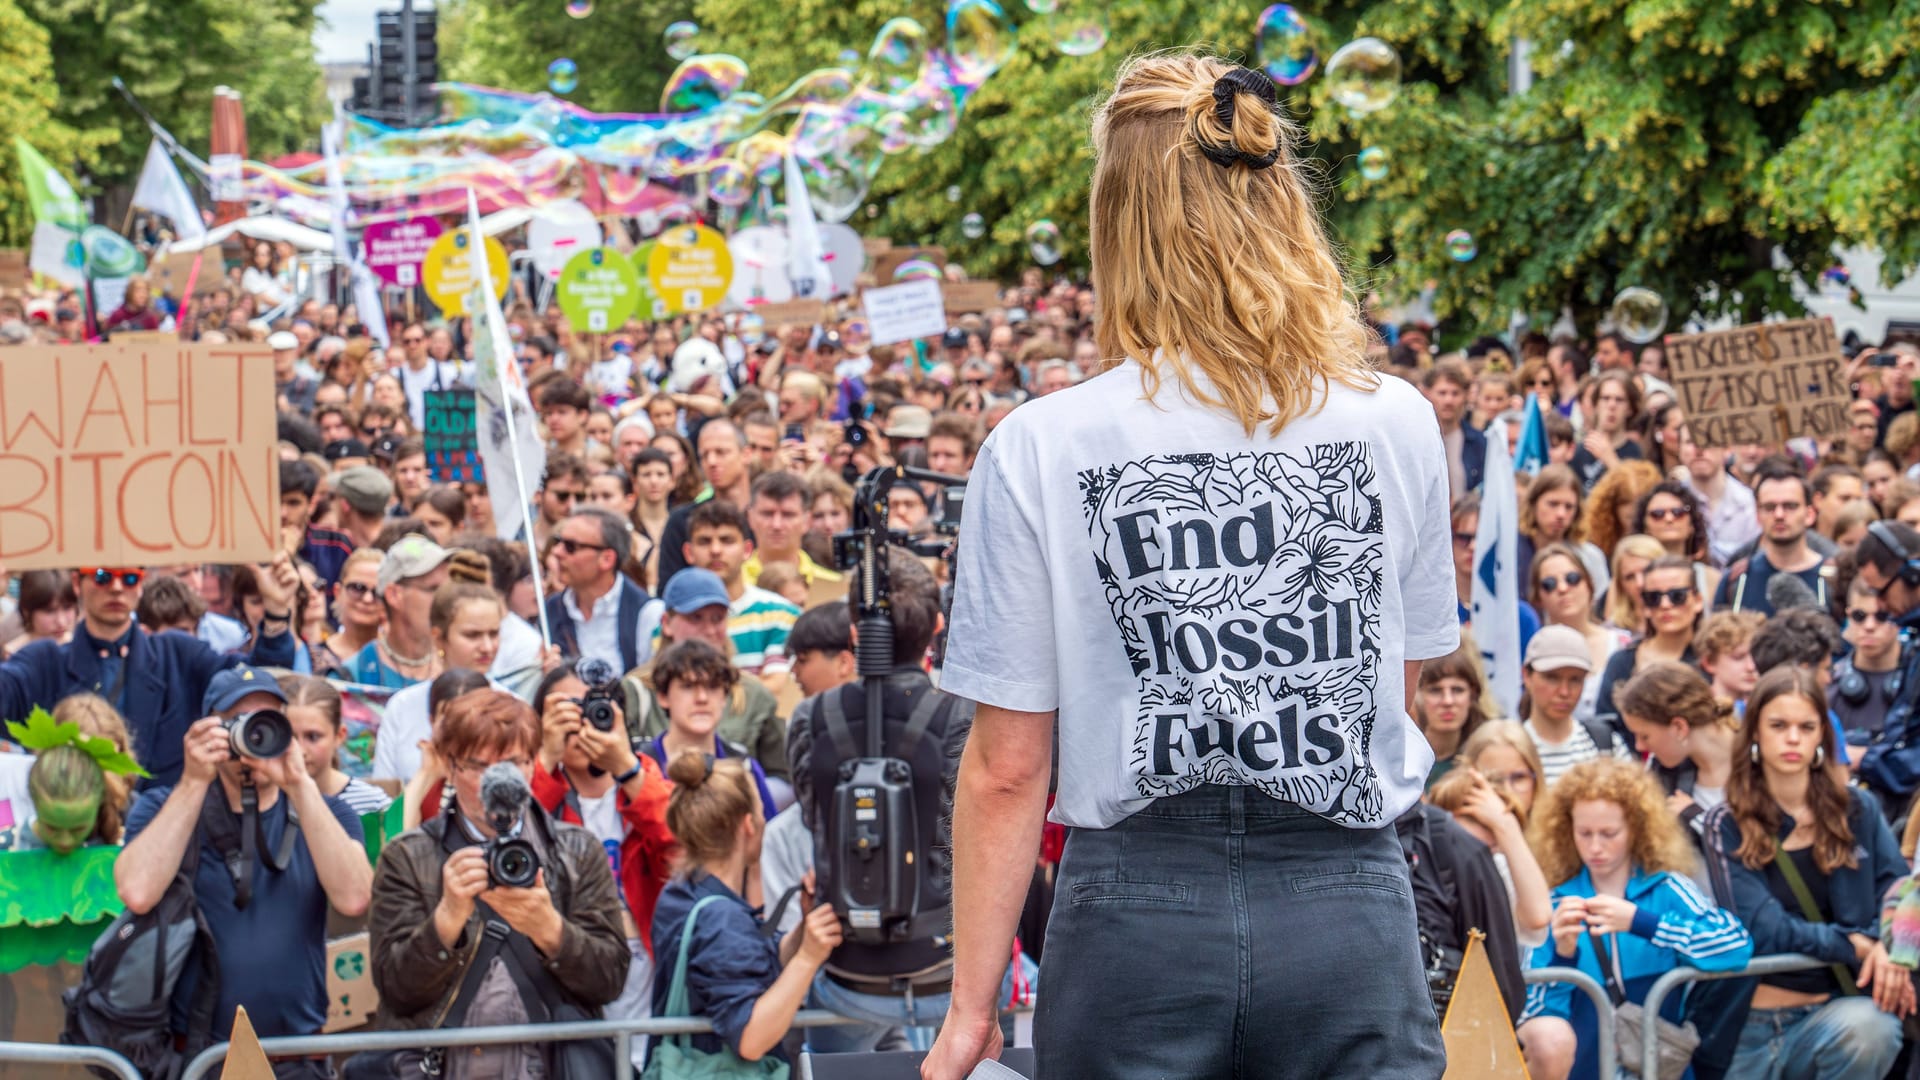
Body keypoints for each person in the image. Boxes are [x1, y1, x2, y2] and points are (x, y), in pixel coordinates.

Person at [925, 56, 1454, 1078]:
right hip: (1348, 904)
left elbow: (1006, 768)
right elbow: (1399, 684)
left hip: (1135, 917)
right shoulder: (1397, 422)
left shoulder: (1042, 444)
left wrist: (970, 1011)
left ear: (1117, 223)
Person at [364, 689, 630, 1073]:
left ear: (532, 765)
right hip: (446, 1067)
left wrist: (551, 931)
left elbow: (609, 981)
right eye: (481, 766)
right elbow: (395, 990)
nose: (498, 781)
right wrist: (447, 920)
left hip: (549, 1065)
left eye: (512, 763)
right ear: (451, 767)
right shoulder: (407, 856)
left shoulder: (577, 849)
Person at [114, 666, 371, 1062]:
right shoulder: (166, 806)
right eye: (235, 722)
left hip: (299, 1056)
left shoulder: (326, 811)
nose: (252, 736)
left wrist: (299, 783)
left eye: (265, 721)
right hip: (202, 1057)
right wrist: (194, 781)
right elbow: (137, 892)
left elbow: (355, 898)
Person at [1702, 668, 1911, 1080]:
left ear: (1822, 736)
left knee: (1875, 1029)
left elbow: (1898, 886)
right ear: (1756, 734)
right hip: (1751, 1023)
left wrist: (1889, 944)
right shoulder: (1725, 823)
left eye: (1806, 726)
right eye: (1779, 725)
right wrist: (1855, 945)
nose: (1793, 738)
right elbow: (1763, 928)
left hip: (1837, 1008)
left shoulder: (1858, 809)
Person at [1516, 759, 1752, 1080]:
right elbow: (1536, 1019)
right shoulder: (1558, 902)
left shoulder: (1668, 888)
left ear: (1636, 828)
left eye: (1609, 833)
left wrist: (1643, 923)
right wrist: (1563, 955)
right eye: (1584, 833)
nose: (1595, 847)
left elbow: (1736, 946)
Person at [0, 559, 299, 788]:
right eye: (103, 576)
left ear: (141, 584)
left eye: (130, 578)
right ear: (78, 583)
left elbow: (257, 684)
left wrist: (275, 614)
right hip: (69, 837)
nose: (116, 588)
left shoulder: (178, 653)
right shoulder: (44, 661)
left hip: (166, 836)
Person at [649, 750, 844, 1069]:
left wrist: (803, 930)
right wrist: (809, 957)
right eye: (760, 811)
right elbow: (752, 1038)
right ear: (748, 825)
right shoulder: (722, 919)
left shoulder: (681, 893)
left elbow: (749, 965)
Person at [529, 660, 678, 1070]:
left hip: (647, 973)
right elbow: (513, 842)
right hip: (569, 973)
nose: (584, 723)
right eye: (568, 710)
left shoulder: (642, 776)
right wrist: (545, 758)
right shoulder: (537, 784)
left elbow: (682, 845)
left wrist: (625, 766)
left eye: (595, 708)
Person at [372, 582, 506, 782]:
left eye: (494, 633)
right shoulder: (403, 707)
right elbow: (383, 794)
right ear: (438, 637)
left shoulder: (510, 705)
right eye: (472, 635)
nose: (487, 646)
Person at [638, 640, 777, 814]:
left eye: (712, 687)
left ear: (725, 697)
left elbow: (767, 835)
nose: (702, 698)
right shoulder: (640, 768)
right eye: (688, 686)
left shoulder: (745, 768)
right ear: (663, 696)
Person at [1618, 662, 1740, 847]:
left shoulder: (1758, 760)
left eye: (1645, 736)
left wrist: (1696, 817)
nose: (1639, 746)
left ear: (1679, 727)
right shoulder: (1661, 771)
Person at [683, 500, 801, 673]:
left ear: (747, 550)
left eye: (727, 541)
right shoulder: (671, 621)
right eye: (704, 541)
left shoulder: (782, 615)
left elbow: (777, 689)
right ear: (689, 553)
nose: (715, 550)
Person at [1594, 555, 1703, 735]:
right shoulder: (1622, 661)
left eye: (1677, 596)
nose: (1665, 605)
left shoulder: (1714, 660)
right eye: (1654, 598)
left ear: (1697, 600)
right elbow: (1607, 727)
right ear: (1644, 605)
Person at [1530, 542, 1632, 728]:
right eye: (1549, 584)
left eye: (1572, 578)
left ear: (1590, 585)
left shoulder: (1623, 643)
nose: (1563, 588)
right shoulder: (1533, 648)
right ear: (1538, 597)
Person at [545, 506, 654, 673]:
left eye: (570, 546)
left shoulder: (646, 613)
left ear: (607, 559)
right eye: (558, 541)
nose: (557, 551)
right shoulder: (549, 610)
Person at [1521, 625, 1631, 785]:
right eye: (1552, 678)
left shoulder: (1606, 744)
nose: (1564, 692)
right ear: (1527, 676)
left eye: (1575, 679)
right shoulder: (1509, 749)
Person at [341, 535, 454, 689]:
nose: (446, 598)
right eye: (433, 589)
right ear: (394, 595)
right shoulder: (352, 676)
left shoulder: (458, 665)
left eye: (448, 588)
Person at [1716, 466, 1830, 617]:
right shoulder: (1737, 579)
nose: (1779, 514)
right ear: (1757, 515)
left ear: (1809, 514)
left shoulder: (1832, 579)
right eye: (1769, 507)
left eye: (1790, 506)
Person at [654, 419, 754, 589]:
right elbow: (669, 590)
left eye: (721, 452)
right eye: (704, 455)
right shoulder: (682, 521)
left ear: (746, 455)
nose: (712, 462)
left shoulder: (768, 517)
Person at [278, 674, 392, 817]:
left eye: (313, 737)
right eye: (290, 737)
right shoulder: (268, 799)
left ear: (339, 736)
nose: (300, 750)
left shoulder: (372, 804)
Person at [1831, 576, 1905, 757]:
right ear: (1848, 616)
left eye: (1882, 616)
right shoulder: (1827, 683)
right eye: (1859, 616)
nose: (1869, 626)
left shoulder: (1914, 687)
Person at [1517, 465, 1611, 600]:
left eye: (1569, 507)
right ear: (1534, 503)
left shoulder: (1590, 557)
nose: (1561, 514)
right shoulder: (1511, 551)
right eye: (1553, 504)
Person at [745, 470, 842, 591]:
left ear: (807, 521)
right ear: (750, 517)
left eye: (788, 515)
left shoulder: (832, 588)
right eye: (767, 514)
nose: (777, 525)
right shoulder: (731, 584)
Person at [1415, 640, 1495, 787]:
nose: (1448, 701)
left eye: (1457, 690)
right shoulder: (1402, 759)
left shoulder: (1488, 756)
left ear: (1473, 695)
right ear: (1416, 695)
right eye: (1435, 690)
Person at [315, 549, 385, 678]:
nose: (367, 599)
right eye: (357, 588)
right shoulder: (313, 656)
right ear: (337, 592)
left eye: (378, 592)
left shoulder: (399, 660)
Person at [1571, 370, 1646, 488]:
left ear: (1630, 409)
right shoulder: (1578, 452)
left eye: (1619, 399)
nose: (1612, 405)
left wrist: (1611, 461)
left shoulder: (1637, 454)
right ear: (1595, 405)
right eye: (1605, 398)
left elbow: (1638, 496)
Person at [1461, 721, 1548, 823]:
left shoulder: (1556, 832)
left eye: (1519, 778)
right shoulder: (1450, 834)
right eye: (1495, 780)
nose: (1508, 791)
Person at [1423, 360, 1485, 496]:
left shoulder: (1479, 442)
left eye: (1455, 393)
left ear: (1466, 396)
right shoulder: (1416, 440)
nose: (1448, 401)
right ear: (1427, 393)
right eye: (1442, 393)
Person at [1695, 611, 1765, 713]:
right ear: (1709, 662)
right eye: (1738, 658)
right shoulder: (1697, 710)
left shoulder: (1766, 708)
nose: (1751, 667)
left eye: (1756, 655)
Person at [0, 570, 76, 660]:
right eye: (49, 611)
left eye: (67, 608)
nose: (61, 622)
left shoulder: (82, 650)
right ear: (27, 611)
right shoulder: (12, 657)